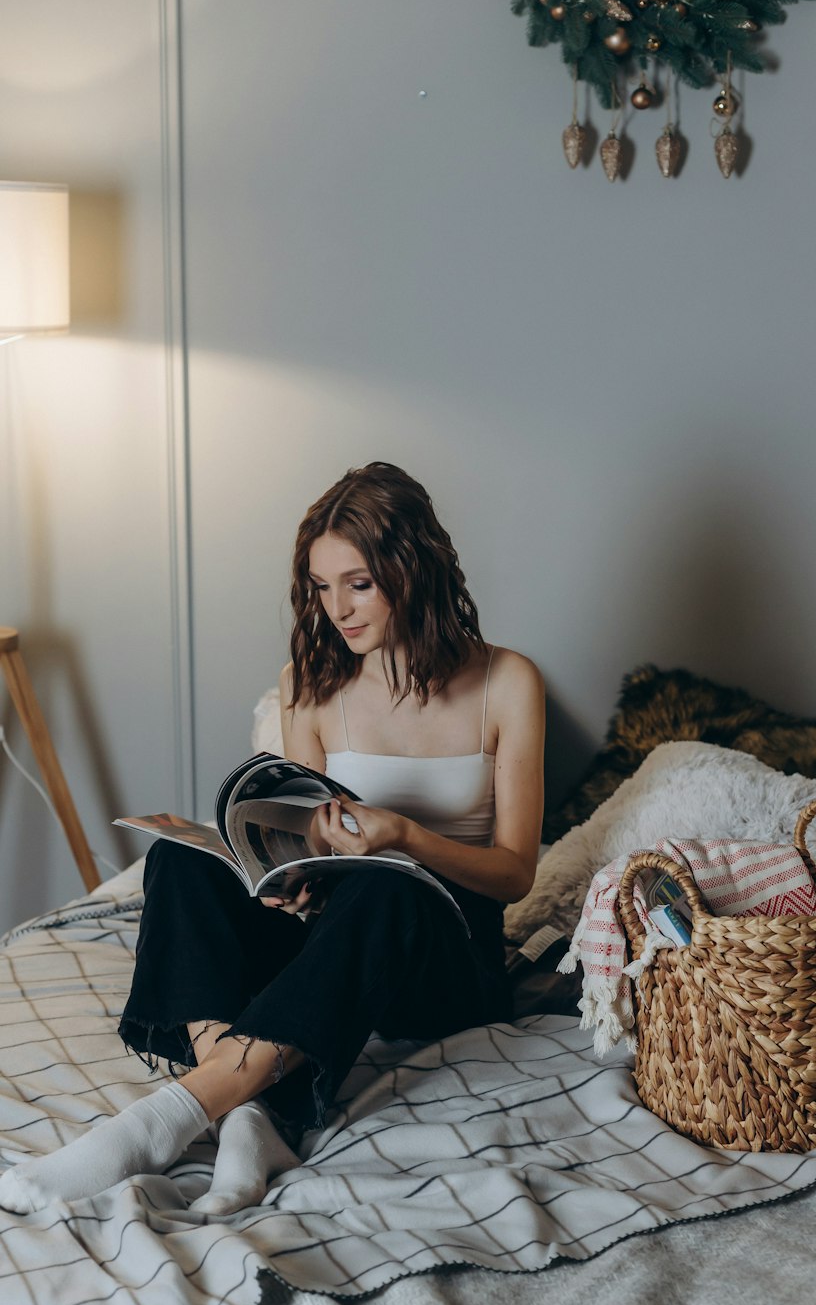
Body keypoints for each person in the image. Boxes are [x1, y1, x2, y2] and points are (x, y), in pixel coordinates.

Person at [0, 463, 545, 1216]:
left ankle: (163, 1119)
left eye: (357, 584)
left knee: (389, 883)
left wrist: (405, 836)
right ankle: (250, 1111)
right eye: (321, 588)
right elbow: (304, 825)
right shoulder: (310, 683)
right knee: (177, 861)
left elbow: (517, 873)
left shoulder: (508, 681)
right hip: (339, 932)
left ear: (411, 570)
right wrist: (292, 875)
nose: (338, 610)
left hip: (443, 957)